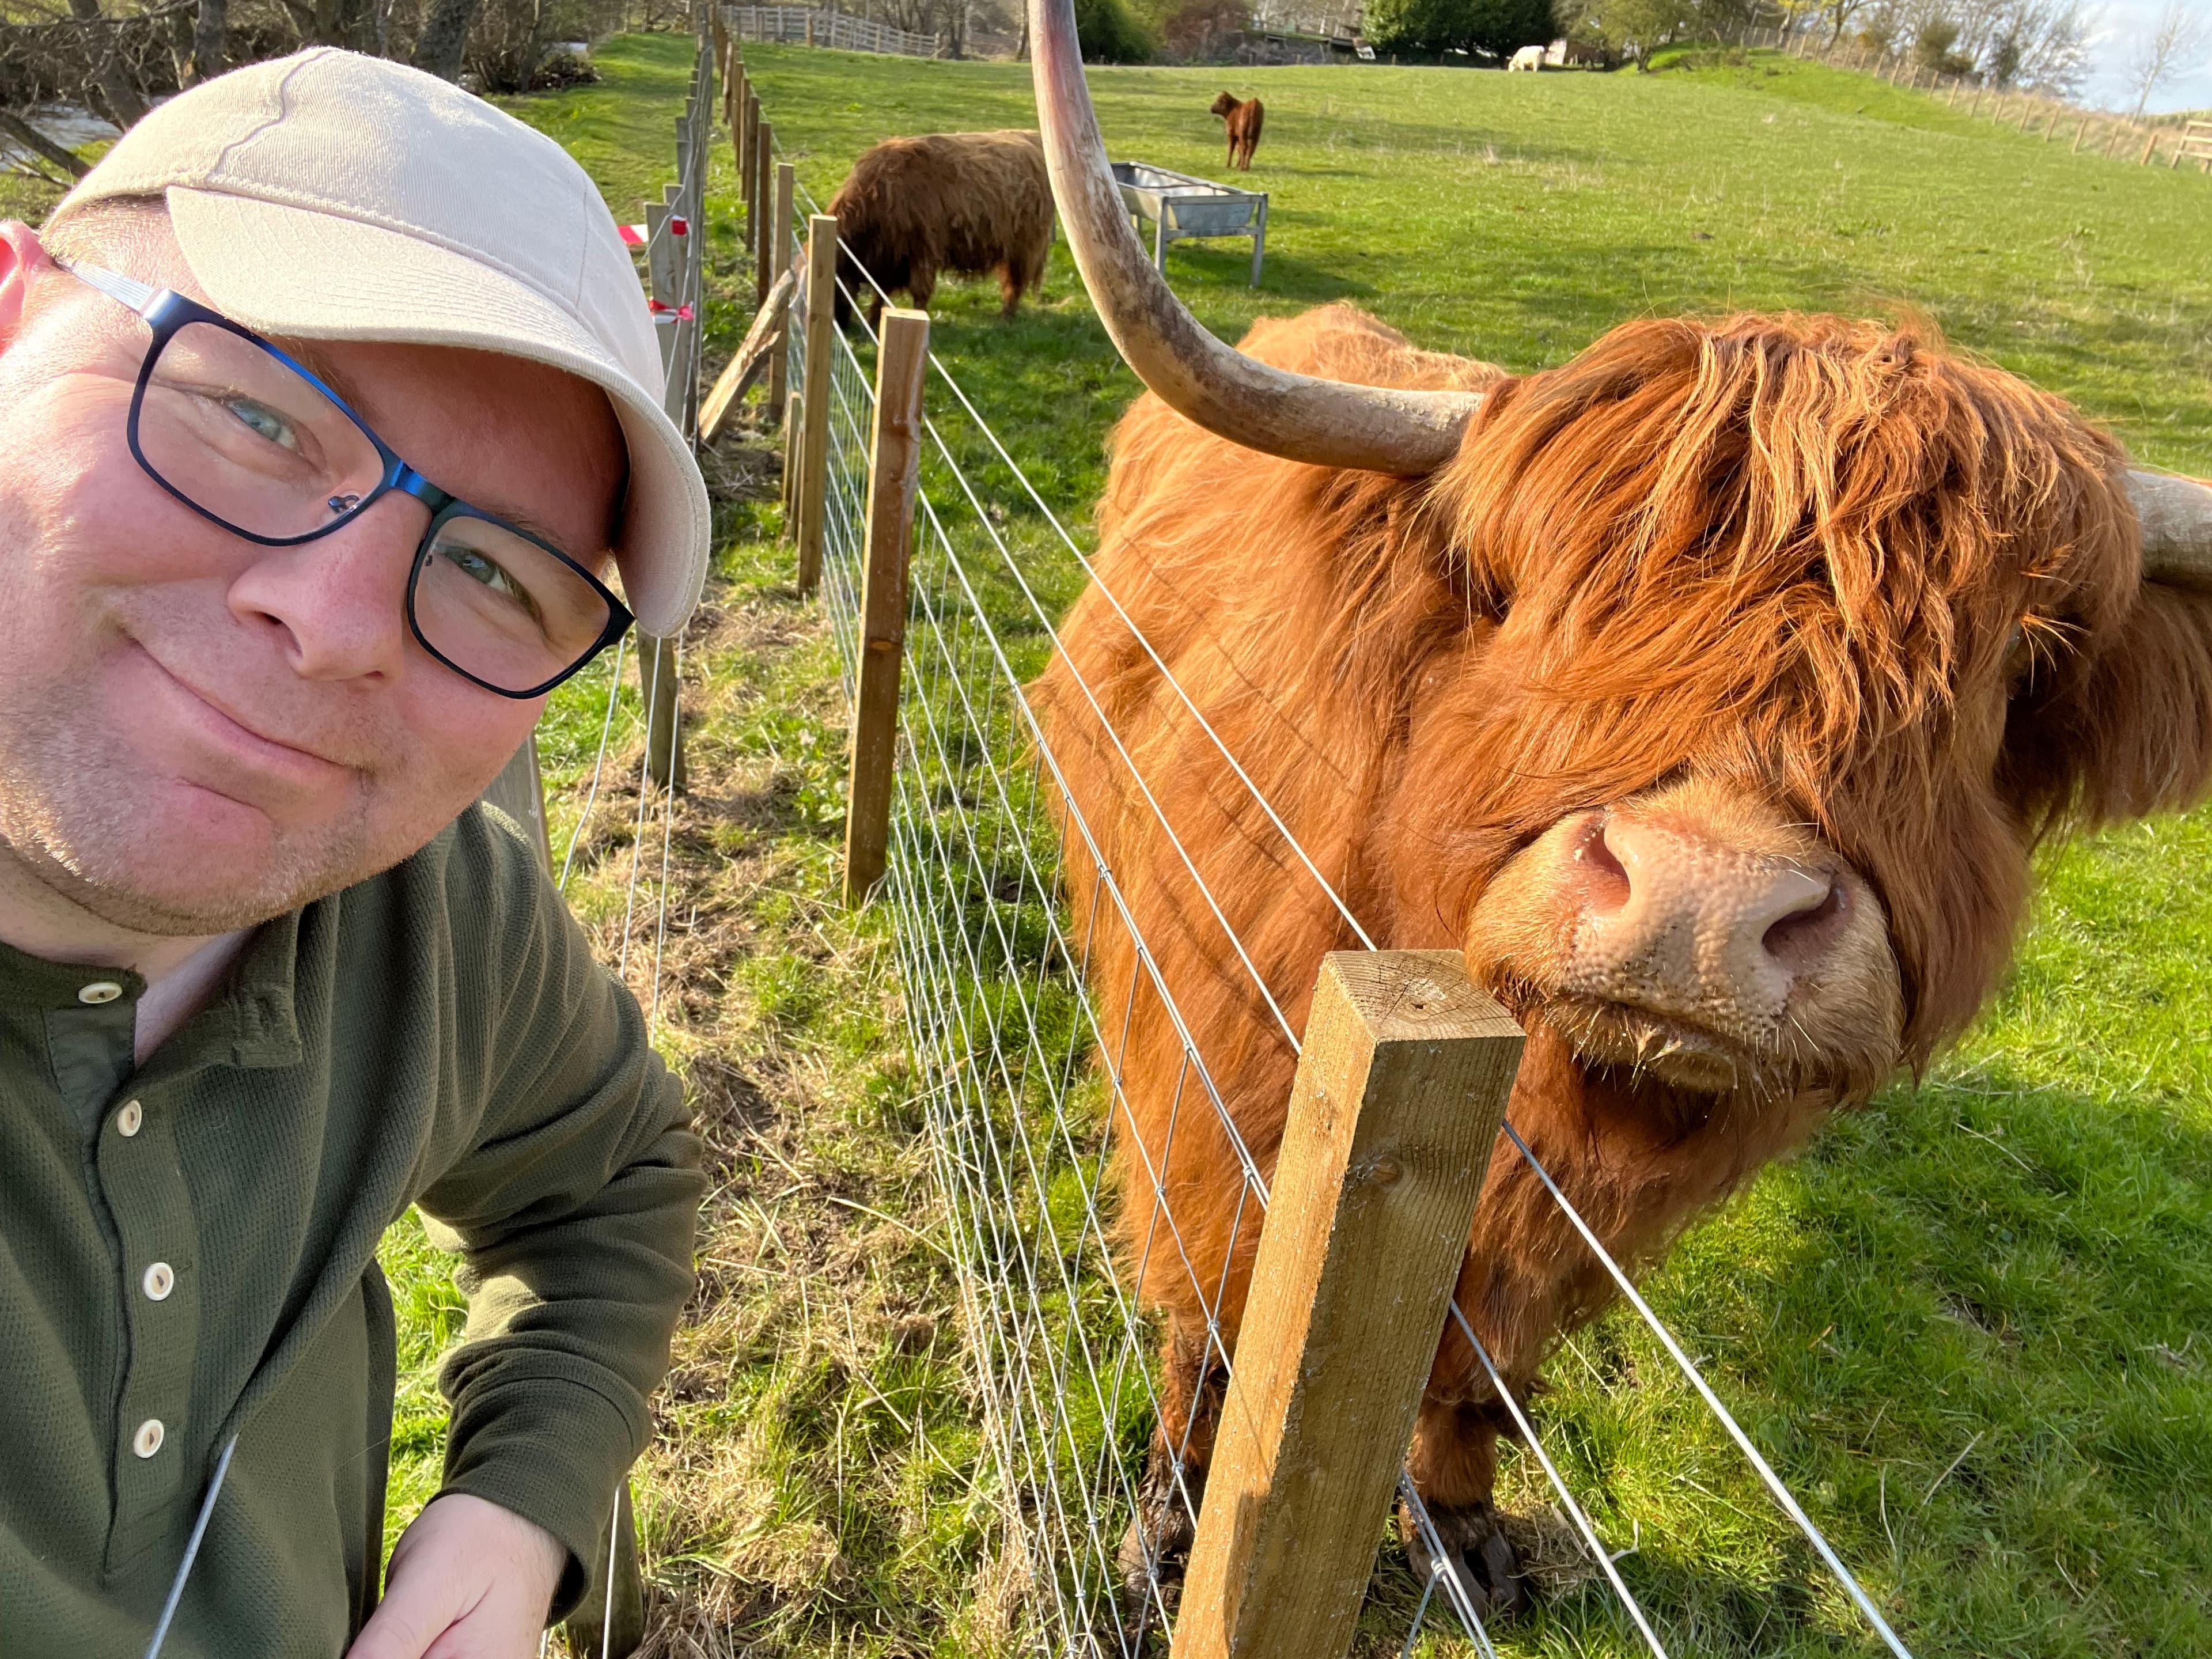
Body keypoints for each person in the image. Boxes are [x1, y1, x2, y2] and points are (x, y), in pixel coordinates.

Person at [0, 45, 710, 1659]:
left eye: (497, 575)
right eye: (254, 412)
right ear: (14, 317)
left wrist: (523, 1499)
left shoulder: (425, 908)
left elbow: (610, 1180)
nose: (330, 630)